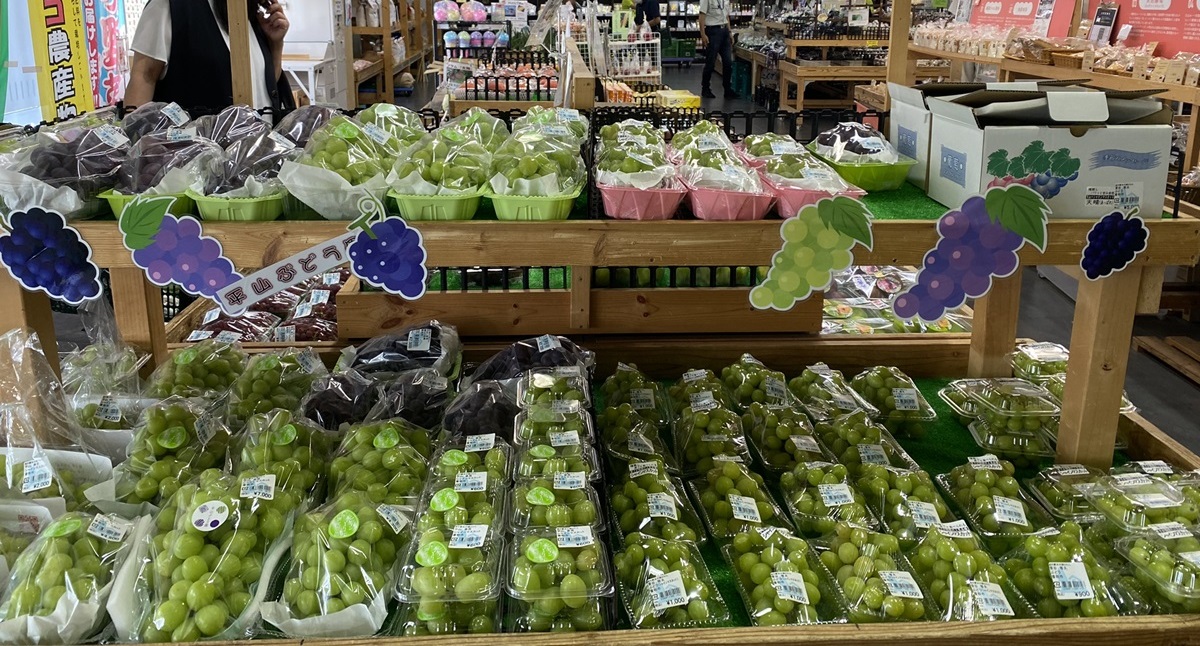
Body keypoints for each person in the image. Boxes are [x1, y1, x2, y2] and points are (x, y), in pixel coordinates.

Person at [126, 0, 295, 115]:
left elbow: (262, 88)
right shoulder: (170, 7)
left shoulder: (250, 13)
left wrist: (275, 45)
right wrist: (136, 146)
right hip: (194, 160)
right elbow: (144, 76)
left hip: (257, 154)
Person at [698, 0, 735, 99]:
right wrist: (703, 34)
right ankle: (705, 88)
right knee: (710, 62)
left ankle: (727, 89)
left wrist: (730, 32)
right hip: (713, 31)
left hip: (724, 32)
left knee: (728, 62)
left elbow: (726, 15)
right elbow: (702, 15)